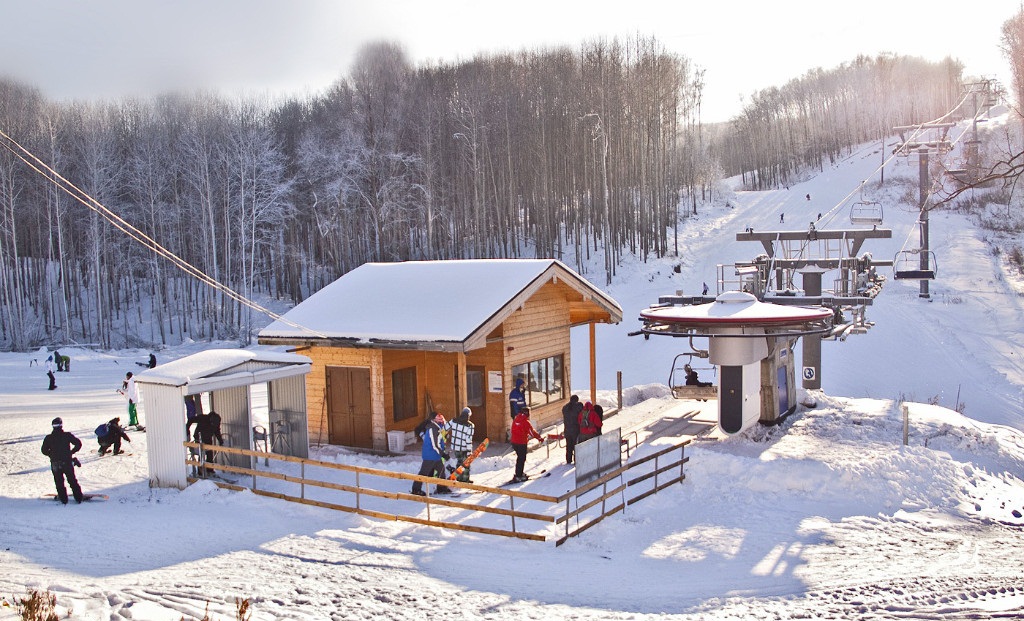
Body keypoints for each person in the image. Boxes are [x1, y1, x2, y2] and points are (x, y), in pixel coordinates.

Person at [41, 417, 83, 504]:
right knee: (72, 480)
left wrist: (51, 454)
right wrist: (71, 452)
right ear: (61, 425)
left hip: (55, 463)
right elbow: (78, 444)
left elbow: (44, 450)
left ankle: (63, 499)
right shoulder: (67, 435)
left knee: (59, 482)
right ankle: (78, 498)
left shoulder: (49, 438)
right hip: (67, 461)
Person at [411, 412, 452, 496]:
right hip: (430, 455)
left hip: (436, 455)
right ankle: (416, 490)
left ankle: (441, 488)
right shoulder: (432, 429)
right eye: (438, 418)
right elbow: (435, 445)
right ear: (434, 420)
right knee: (423, 473)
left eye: (441, 418)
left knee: (441, 471)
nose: (441, 420)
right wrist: (443, 454)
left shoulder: (437, 428)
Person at [510, 407, 543, 482]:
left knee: (519, 458)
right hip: (521, 442)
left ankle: (519, 473)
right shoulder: (525, 422)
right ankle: (519, 475)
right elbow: (532, 432)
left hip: (514, 442)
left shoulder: (516, 419)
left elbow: (512, 430)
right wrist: (539, 438)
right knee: (521, 459)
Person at [445, 407, 475, 483]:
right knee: (466, 464)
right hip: (464, 448)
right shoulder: (470, 426)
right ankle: (465, 479)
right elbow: (468, 439)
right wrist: (469, 452)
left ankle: (458, 477)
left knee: (459, 462)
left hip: (455, 447)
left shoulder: (454, 421)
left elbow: (445, 428)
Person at [193, 409, 224, 474]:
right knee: (201, 454)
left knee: (210, 454)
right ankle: (200, 472)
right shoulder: (202, 418)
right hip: (199, 439)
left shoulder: (216, 422)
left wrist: (220, 441)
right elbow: (191, 420)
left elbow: (217, 432)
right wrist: (187, 430)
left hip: (208, 439)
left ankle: (210, 470)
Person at [561, 395, 583, 464]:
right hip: (576, 429)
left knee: (568, 445)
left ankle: (568, 459)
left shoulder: (565, 407)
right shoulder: (578, 406)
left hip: (567, 429)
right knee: (576, 444)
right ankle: (576, 459)